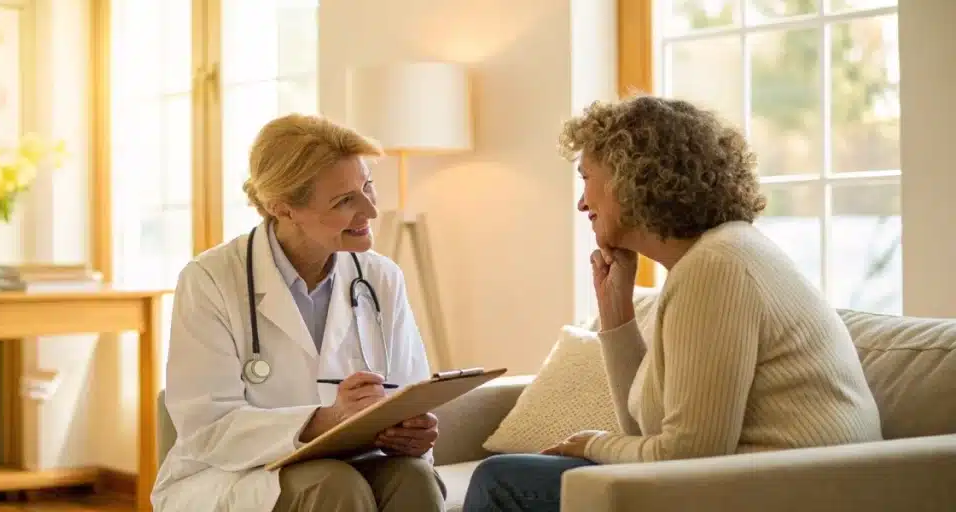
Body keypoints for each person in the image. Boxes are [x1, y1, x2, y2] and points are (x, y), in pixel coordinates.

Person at [463, 96, 883, 512]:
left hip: (786, 495)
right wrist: (616, 313)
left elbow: (687, 461)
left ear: (629, 178)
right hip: (757, 485)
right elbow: (650, 433)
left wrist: (593, 443)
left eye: (586, 177)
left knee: (500, 480)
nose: (582, 202)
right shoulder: (710, 259)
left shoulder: (717, 268)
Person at [151, 113, 447, 512]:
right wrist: (328, 419)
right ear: (283, 208)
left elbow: (406, 390)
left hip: (353, 458)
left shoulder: (380, 276)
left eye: (367, 188)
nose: (371, 211)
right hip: (232, 475)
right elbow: (209, 429)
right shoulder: (210, 280)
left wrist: (410, 430)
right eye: (345, 200)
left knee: (414, 478)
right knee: (331, 484)